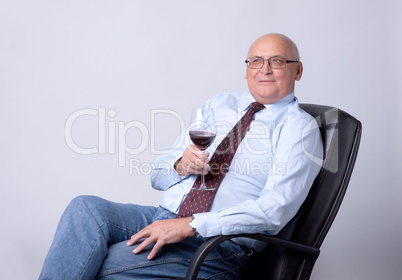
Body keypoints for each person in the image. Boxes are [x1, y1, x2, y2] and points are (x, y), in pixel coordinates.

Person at [39, 33, 323, 280]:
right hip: (162, 216)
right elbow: (158, 175)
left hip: (219, 246)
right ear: (247, 69)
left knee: (100, 261)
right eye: (256, 61)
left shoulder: (300, 128)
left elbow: (273, 211)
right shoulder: (219, 104)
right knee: (85, 208)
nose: (265, 69)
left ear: (297, 70)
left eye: (277, 61)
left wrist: (191, 225)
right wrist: (179, 165)